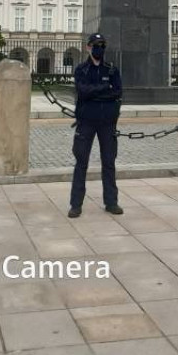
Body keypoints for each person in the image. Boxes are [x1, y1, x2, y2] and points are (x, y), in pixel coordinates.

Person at [69, 32, 124, 218]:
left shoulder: (112, 70)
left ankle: (111, 202)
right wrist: (103, 89)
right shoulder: (81, 70)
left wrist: (95, 92)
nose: (99, 49)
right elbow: (82, 92)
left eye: (102, 45)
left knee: (109, 162)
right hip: (86, 122)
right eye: (95, 45)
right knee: (81, 162)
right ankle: (76, 204)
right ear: (88, 47)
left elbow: (117, 92)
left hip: (107, 123)